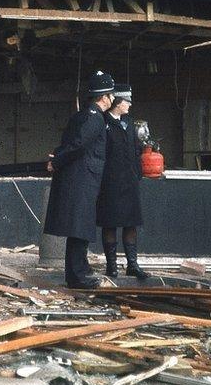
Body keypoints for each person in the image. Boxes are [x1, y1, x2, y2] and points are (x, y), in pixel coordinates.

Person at [44, 70, 114, 289]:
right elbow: (79, 144)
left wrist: (57, 158)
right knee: (79, 226)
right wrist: (57, 162)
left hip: (80, 177)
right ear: (104, 97)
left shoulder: (84, 115)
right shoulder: (94, 118)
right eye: (111, 94)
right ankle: (79, 275)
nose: (113, 98)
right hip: (83, 178)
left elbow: (70, 143)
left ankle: (78, 272)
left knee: (79, 227)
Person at [96, 84, 150, 280]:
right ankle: (111, 266)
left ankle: (132, 265)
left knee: (131, 223)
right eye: (127, 101)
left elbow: (136, 150)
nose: (129, 104)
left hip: (129, 181)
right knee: (110, 224)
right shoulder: (103, 122)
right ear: (117, 102)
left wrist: (137, 173)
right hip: (110, 181)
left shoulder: (129, 122)